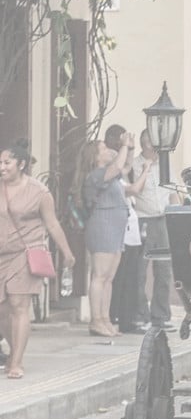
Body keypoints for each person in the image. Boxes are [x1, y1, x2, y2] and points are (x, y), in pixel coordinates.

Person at [0, 140, 75, 378]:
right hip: (1, 255)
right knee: (3, 310)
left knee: (18, 306)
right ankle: (13, 352)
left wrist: (67, 253)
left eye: (7, 162)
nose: (2, 166)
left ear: (21, 164)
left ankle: (16, 362)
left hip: (25, 253)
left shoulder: (39, 192)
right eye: (0, 162)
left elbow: (52, 224)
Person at [74, 135, 134, 337]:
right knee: (99, 275)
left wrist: (130, 149)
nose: (109, 150)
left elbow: (124, 167)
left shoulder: (109, 175)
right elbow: (118, 168)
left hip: (115, 226)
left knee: (108, 278)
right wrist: (124, 145)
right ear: (96, 157)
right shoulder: (96, 175)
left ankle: (105, 318)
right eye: (104, 148)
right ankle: (96, 320)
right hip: (103, 225)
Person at [104, 126, 150, 334]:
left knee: (132, 274)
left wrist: (130, 148)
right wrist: (147, 170)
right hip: (118, 229)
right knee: (120, 276)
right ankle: (116, 316)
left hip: (130, 228)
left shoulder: (119, 175)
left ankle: (128, 318)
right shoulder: (106, 177)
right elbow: (134, 188)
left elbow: (127, 166)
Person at [133, 129, 179, 333]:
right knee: (140, 271)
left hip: (163, 221)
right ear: (144, 145)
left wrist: (177, 215)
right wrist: (145, 169)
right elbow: (135, 190)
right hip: (143, 219)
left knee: (164, 270)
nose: (152, 148)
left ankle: (160, 315)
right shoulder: (134, 165)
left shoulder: (166, 165)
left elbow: (172, 193)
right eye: (149, 144)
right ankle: (140, 314)